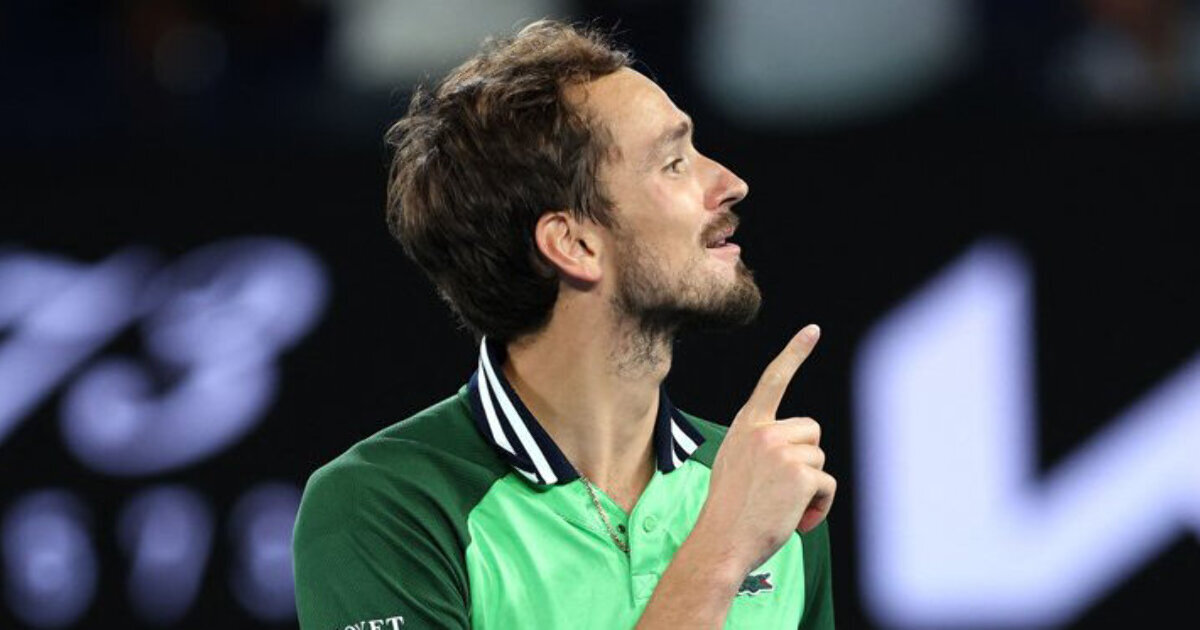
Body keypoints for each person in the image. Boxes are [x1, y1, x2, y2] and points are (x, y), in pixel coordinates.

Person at [292, 19, 836, 630]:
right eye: (674, 163)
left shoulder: (763, 486)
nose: (731, 184)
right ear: (573, 243)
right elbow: (729, 536)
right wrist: (722, 549)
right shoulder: (383, 505)